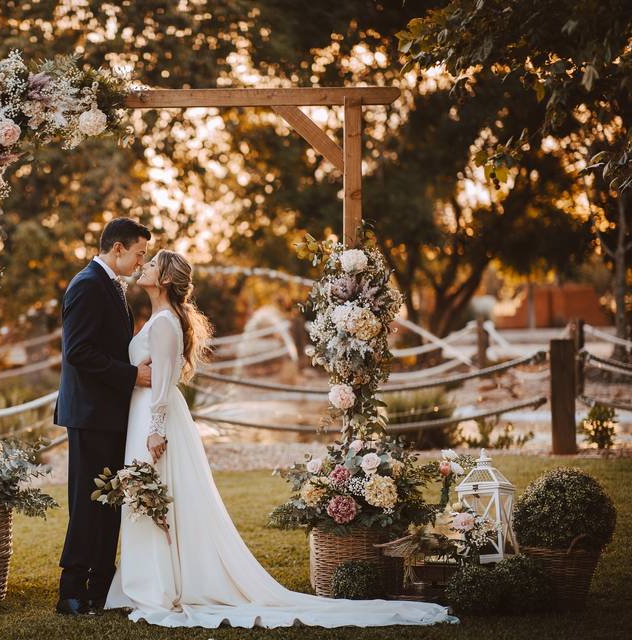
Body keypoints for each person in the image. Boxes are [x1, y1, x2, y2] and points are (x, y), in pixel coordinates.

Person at [104, 249, 457, 629]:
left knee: (154, 494)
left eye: (152, 265)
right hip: (150, 416)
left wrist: (155, 429)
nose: (145, 267)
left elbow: (161, 383)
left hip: (155, 420)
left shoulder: (163, 323)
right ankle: (153, 578)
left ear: (166, 280)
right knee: (155, 495)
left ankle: (156, 585)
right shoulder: (162, 319)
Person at [53, 217, 153, 616]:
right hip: (90, 414)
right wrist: (132, 375)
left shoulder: (111, 286)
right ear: (118, 249)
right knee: (86, 502)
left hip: (109, 413)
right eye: (140, 253)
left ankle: (101, 586)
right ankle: (71, 591)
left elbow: (107, 345)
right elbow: (77, 351)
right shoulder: (88, 285)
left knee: (109, 501)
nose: (142, 261)